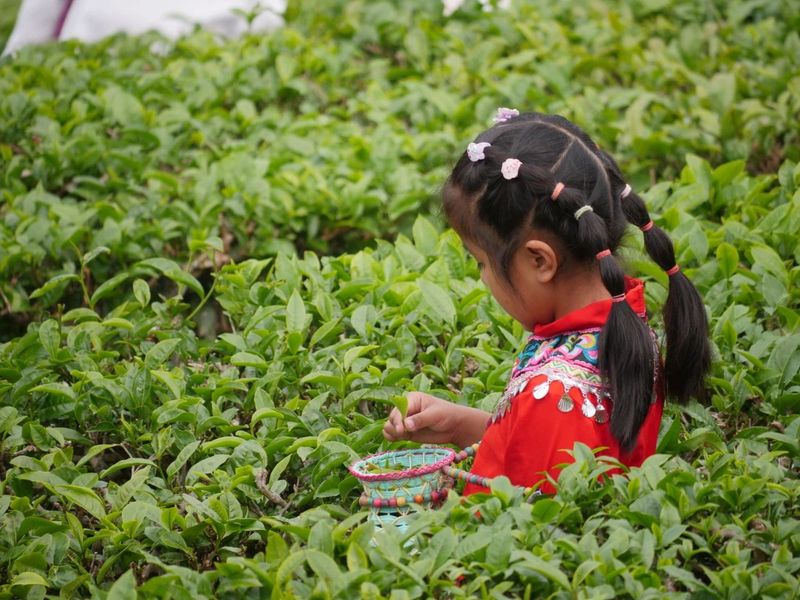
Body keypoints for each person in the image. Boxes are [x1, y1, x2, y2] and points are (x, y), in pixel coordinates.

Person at [383, 109, 711, 495]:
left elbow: (523, 519)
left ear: (540, 261)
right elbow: (548, 447)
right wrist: (459, 424)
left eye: (482, 262)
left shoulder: (556, 395)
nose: (482, 277)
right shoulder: (623, 322)